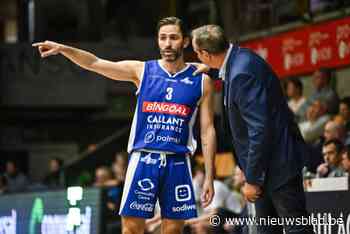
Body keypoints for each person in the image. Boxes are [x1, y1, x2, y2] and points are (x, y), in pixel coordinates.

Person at [33, 16, 216, 234]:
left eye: (174, 38)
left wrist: (209, 176)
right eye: (163, 38)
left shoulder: (201, 80)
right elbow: (95, 63)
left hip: (178, 161)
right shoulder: (142, 71)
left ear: (185, 41)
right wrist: (64, 49)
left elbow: (207, 131)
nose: (167, 43)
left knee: (173, 231)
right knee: (130, 229)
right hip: (143, 159)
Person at [191, 25, 314, 234]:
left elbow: (260, 130)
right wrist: (211, 69)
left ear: (205, 53)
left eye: (197, 53)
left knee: (296, 229)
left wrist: (253, 179)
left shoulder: (241, 75)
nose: (196, 56)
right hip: (268, 165)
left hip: (276, 166)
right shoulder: (239, 59)